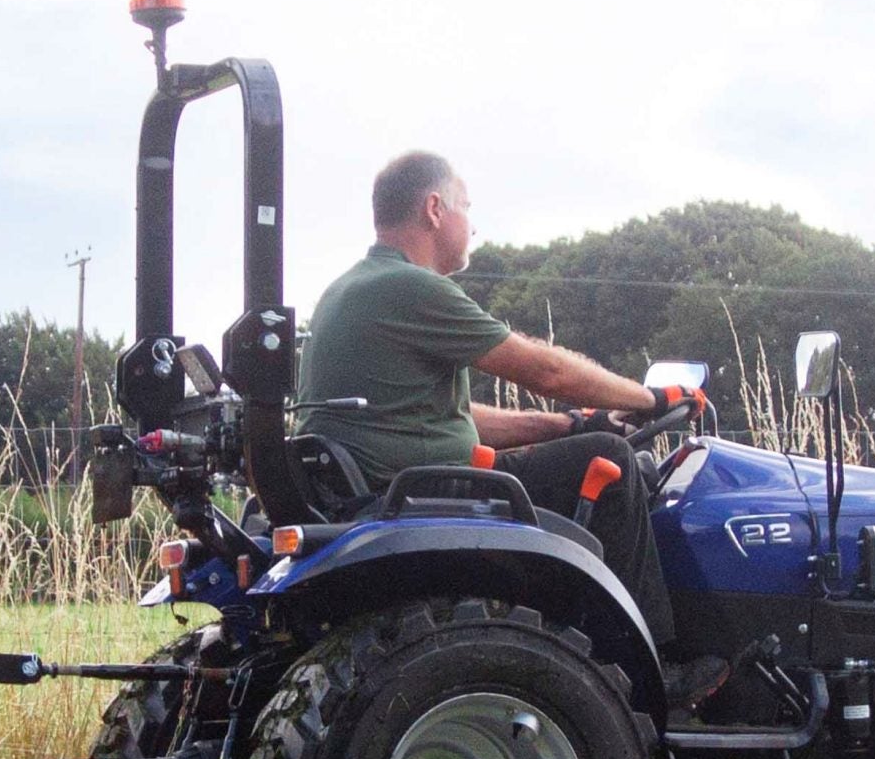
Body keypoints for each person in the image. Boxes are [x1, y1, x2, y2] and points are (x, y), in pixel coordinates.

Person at [296, 150, 724, 701]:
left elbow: (451, 418)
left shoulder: (350, 289)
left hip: (393, 483)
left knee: (600, 449)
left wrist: (567, 425)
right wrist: (650, 396)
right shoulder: (410, 288)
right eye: (466, 209)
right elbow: (543, 367)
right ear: (434, 209)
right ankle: (656, 672)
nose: (472, 226)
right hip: (424, 492)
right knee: (615, 463)